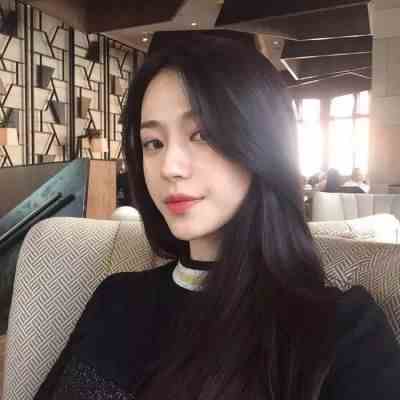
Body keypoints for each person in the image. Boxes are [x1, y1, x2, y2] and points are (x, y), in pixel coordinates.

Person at [34, 35, 400, 399]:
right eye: (153, 143)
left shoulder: (340, 330)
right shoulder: (116, 297)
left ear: (263, 143)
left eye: (202, 134)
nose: (169, 167)